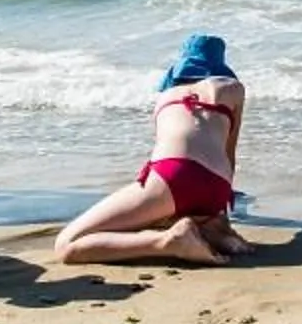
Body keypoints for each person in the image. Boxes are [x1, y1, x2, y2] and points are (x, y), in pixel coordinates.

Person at [56, 34, 252, 266]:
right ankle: (215, 230)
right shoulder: (233, 89)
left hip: (175, 176)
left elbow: (168, 156)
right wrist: (219, 214)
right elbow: (229, 156)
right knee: (180, 204)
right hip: (216, 187)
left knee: (68, 244)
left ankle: (168, 241)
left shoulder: (166, 97)